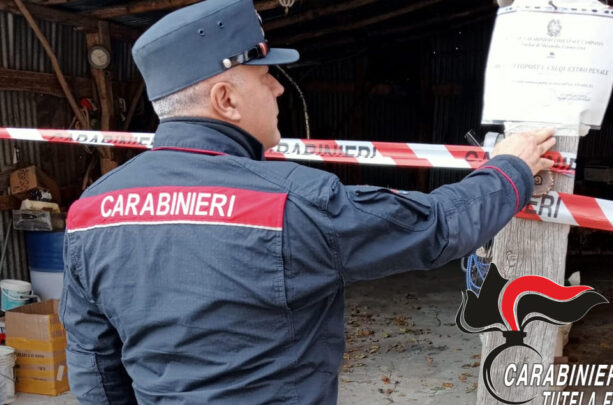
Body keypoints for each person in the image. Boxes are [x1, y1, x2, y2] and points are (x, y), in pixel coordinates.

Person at [60, 0, 556, 403]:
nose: (278, 86)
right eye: (264, 75)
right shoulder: (291, 203)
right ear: (226, 99)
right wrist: (511, 167)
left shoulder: (88, 212)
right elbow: (436, 227)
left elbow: (96, 368)